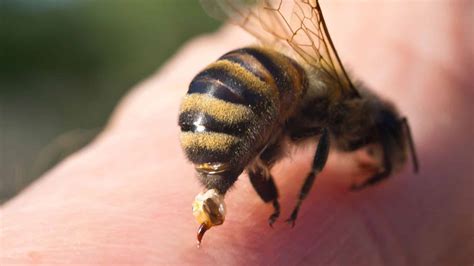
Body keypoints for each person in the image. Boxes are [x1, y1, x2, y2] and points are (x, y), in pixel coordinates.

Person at [1, 2, 472, 264]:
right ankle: (230, 191)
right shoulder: (340, 108)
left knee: (266, 127)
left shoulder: (307, 97)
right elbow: (314, 138)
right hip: (245, 92)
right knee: (276, 123)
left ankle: (218, 191)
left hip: (223, 91)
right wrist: (301, 200)